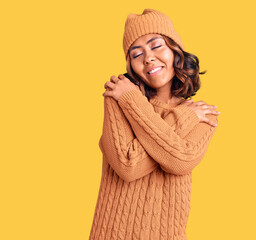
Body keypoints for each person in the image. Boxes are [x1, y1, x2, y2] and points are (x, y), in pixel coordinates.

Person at [89, 9, 220, 240]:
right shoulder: (118, 98)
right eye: (136, 54)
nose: (148, 57)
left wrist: (183, 115)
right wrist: (133, 99)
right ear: (130, 65)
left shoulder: (203, 115)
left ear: (175, 50)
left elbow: (179, 161)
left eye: (156, 46)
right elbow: (128, 166)